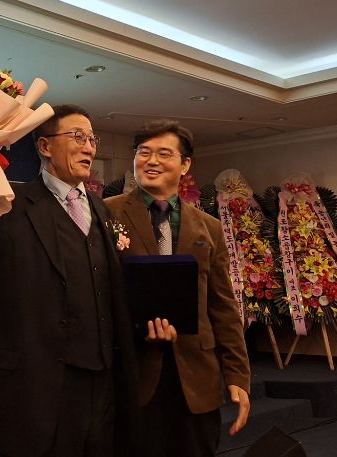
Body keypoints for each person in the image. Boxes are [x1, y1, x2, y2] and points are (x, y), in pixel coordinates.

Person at [0, 105, 164, 457]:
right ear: (45, 146)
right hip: (35, 389)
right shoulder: (7, 202)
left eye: (92, 139)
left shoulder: (101, 210)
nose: (89, 147)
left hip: (103, 388)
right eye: (77, 137)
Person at [104, 119, 251, 457]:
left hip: (197, 377)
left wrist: (237, 376)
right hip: (132, 374)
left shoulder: (209, 228)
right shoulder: (106, 213)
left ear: (185, 165)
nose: (151, 161)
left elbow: (223, 309)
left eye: (164, 154)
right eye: (144, 153)